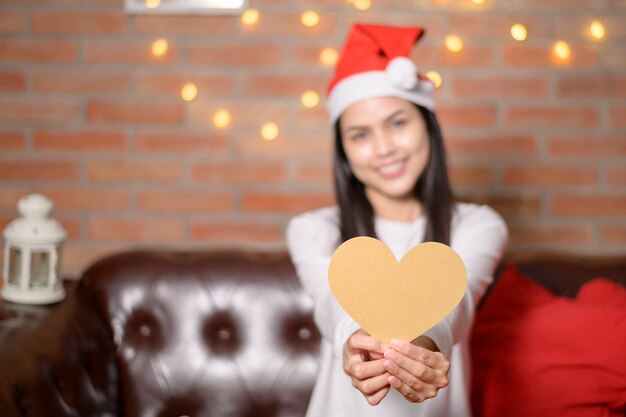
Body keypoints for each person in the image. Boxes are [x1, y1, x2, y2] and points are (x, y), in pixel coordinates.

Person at [286, 23, 508, 417]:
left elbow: (458, 301)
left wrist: (424, 345)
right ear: (345, 155)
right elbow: (329, 298)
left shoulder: (479, 226)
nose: (384, 148)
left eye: (397, 123)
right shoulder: (312, 230)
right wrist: (353, 340)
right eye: (360, 135)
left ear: (428, 126)